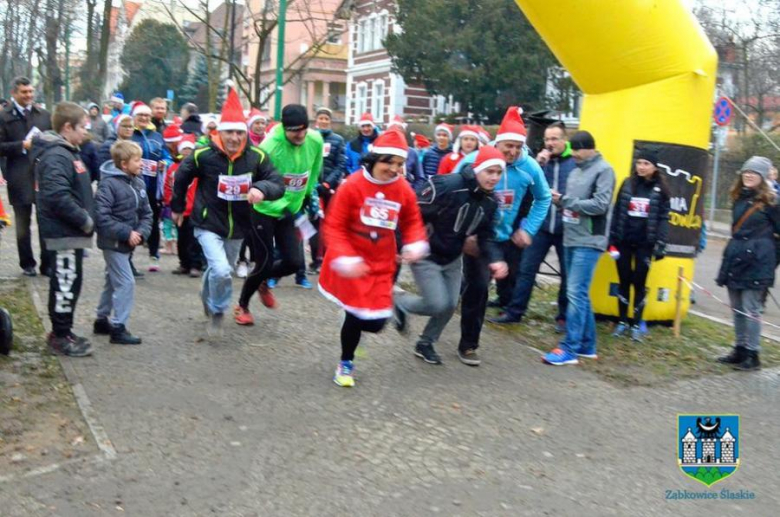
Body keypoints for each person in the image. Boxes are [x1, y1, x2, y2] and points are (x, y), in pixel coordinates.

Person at [318, 128, 428, 387]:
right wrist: (345, 256)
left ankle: (369, 319)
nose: (394, 169)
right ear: (374, 159)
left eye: (400, 164)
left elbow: (412, 220)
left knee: (377, 323)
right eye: (388, 162)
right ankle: (346, 363)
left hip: (382, 263)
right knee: (355, 317)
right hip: (354, 262)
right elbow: (334, 224)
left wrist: (414, 242)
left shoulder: (402, 189)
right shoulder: (353, 185)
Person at [172, 88, 284, 336]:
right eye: (229, 132)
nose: (234, 137)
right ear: (219, 132)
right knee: (221, 270)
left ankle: (208, 297)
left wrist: (261, 189)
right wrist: (178, 207)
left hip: (239, 226)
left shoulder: (256, 156)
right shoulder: (203, 155)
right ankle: (218, 310)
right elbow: (181, 176)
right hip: (208, 222)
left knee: (221, 269)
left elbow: (277, 182)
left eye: (239, 132)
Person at [394, 146, 509, 365]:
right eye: (489, 171)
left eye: (498, 173)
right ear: (477, 169)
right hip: (426, 254)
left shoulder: (491, 202)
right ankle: (399, 302)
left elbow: (486, 236)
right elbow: (412, 212)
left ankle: (425, 342)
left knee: (449, 305)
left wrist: (496, 259)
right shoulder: (448, 185)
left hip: (453, 258)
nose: (494, 177)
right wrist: (404, 244)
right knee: (437, 303)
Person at [454, 107, 551, 364]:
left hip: (508, 236)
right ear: (498, 143)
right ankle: (468, 345)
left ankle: (491, 305)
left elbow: (544, 198)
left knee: (509, 279)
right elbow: (453, 192)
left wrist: (528, 229)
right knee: (478, 288)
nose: (513, 152)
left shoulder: (529, 167)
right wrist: (464, 232)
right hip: (478, 238)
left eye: (518, 147)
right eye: (508, 146)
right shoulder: (475, 160)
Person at [234, 104, 323, 324]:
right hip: (264, 209)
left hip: (291, 210)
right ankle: (242, 305)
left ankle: (264, 280)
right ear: (284, 127)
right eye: (294, 130)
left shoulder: (315, 140)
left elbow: (313, 170)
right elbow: (256, 182)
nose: (300, 134)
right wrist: (278, 202)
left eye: (303, 129)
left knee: (293, 262)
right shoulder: (269, 147)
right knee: (264, 262)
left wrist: (307, 198)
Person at [491, 121, 575, 328]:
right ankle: (515, 311)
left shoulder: (574, 163)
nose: (550, 143)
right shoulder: (537, 163)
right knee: (526, 270)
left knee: (566, 273)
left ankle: (563, 316)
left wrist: (563, 199)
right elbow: (527, 192)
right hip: (541, 227)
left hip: (566, 227)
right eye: (547, 139)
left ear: (565, 140)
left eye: (555, 139)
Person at [543, 130, 615, 366]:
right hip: (571, 237)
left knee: (575, 292)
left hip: (590, 240)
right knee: (580, 293)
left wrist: (565, 201)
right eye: (571, 149)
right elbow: (571, 204)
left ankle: (570, 348)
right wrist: (559, 202)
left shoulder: (604, 170)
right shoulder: (574, 172)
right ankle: (587, 345)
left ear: (590, 148)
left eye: (577, 149)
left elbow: (600, 205)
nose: (573, 153)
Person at [33, 101, 95, 357]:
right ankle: (60, 336)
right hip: (64, 234)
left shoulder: (69, 151)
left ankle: (64, 330)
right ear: (67, 127)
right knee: (65, 285)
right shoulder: (58, 155)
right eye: (82, 127)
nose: (85, 132)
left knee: (70, 283)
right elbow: (57, 196)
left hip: (71, 234)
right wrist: (84, 220)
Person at [716, 156, 780, 371]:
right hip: (736, 258)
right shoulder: (739, 198)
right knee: (737, 308)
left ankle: (753, 354)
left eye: (754, 173)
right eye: (746, 172)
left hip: (758, 262)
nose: (749, 175)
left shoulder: (772, 202)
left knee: (751, 309)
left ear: (762, 177)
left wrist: (770, 261)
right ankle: (740, 349)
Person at [93, 141, 153, 345]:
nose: (142, 164)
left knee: (112, 280)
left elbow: (147, 213)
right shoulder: (108, 184)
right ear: (124, 164)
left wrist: (141, 233)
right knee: (126, 282)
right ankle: (118, 327)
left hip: (128, 242)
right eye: (138, 160)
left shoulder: (138, 182)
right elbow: (102, 217)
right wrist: (127, 233)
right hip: (113, 243)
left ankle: (101, 319)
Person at [609, 148, 670, 340]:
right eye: (639, 163)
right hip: (624, 241)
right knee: (624, 280)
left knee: (640, 283)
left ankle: (636, 323)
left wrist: (661, 242)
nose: (641, 167)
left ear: (654, 167)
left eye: (646, 164)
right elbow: (617, 210)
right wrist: (611, 239)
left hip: (645, 244)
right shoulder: (627, 184)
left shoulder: (661, 189)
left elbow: (663, 218)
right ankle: (621, 321)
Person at [0, 76, 52, 276]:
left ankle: (47, 264)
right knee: (23, 224)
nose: (29, 95)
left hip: (42, 175)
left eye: (30, 91)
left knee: (45, 221)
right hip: (18, 175)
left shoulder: (43, 115)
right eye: (24, 92)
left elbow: (53, 138)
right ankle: (27, 264)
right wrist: (22, 145)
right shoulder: (4, 116)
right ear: (14, 93)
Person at [130, 102, 172, 272]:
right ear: (134, 117)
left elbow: (167, 155)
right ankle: (128, 257)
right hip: (132, 186)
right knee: (131, 220)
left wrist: (165, 162)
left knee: (153, 221)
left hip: (153, 188)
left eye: (147, 116)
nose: (144, 118)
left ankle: (154, 254)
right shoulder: (130, 136)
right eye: (140, 115)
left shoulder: (156, 136)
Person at [312, 106, 347, 271]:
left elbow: (340, 165)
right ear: (316, 120)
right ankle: (314, 259)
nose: (323, 121)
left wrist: (327, 184)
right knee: (313, 224)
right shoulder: (309, 138)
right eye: (321, 118)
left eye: (326, 119)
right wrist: (313, 183)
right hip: (312, 188)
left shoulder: (338, 140)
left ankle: (326, 258)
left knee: (329, 224)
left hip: (329, 189)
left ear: (330, 121)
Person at [165, 134, 202, 277]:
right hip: (179, 210)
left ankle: (195, 265)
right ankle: (184, 263)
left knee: (194, 240)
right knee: (181, 239)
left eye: (189, 149)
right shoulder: (173, 168)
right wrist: (169, 202)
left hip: (194, 209)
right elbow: (168, 187)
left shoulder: (198, 168)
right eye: (184, 149)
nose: (186, 151)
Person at [413, 123, 453, 190]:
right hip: (429, 188)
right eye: (439, 135)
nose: (441, 137)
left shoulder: (453, 155)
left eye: (445, 135)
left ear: (449, 138)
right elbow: (422, 173)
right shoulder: (428, 153)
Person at [387, 116, 422, 185]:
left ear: (404, 133)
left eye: (399, 131)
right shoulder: (382, 152)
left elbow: (420, 178)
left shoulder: (412, 153)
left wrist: (413, 192)